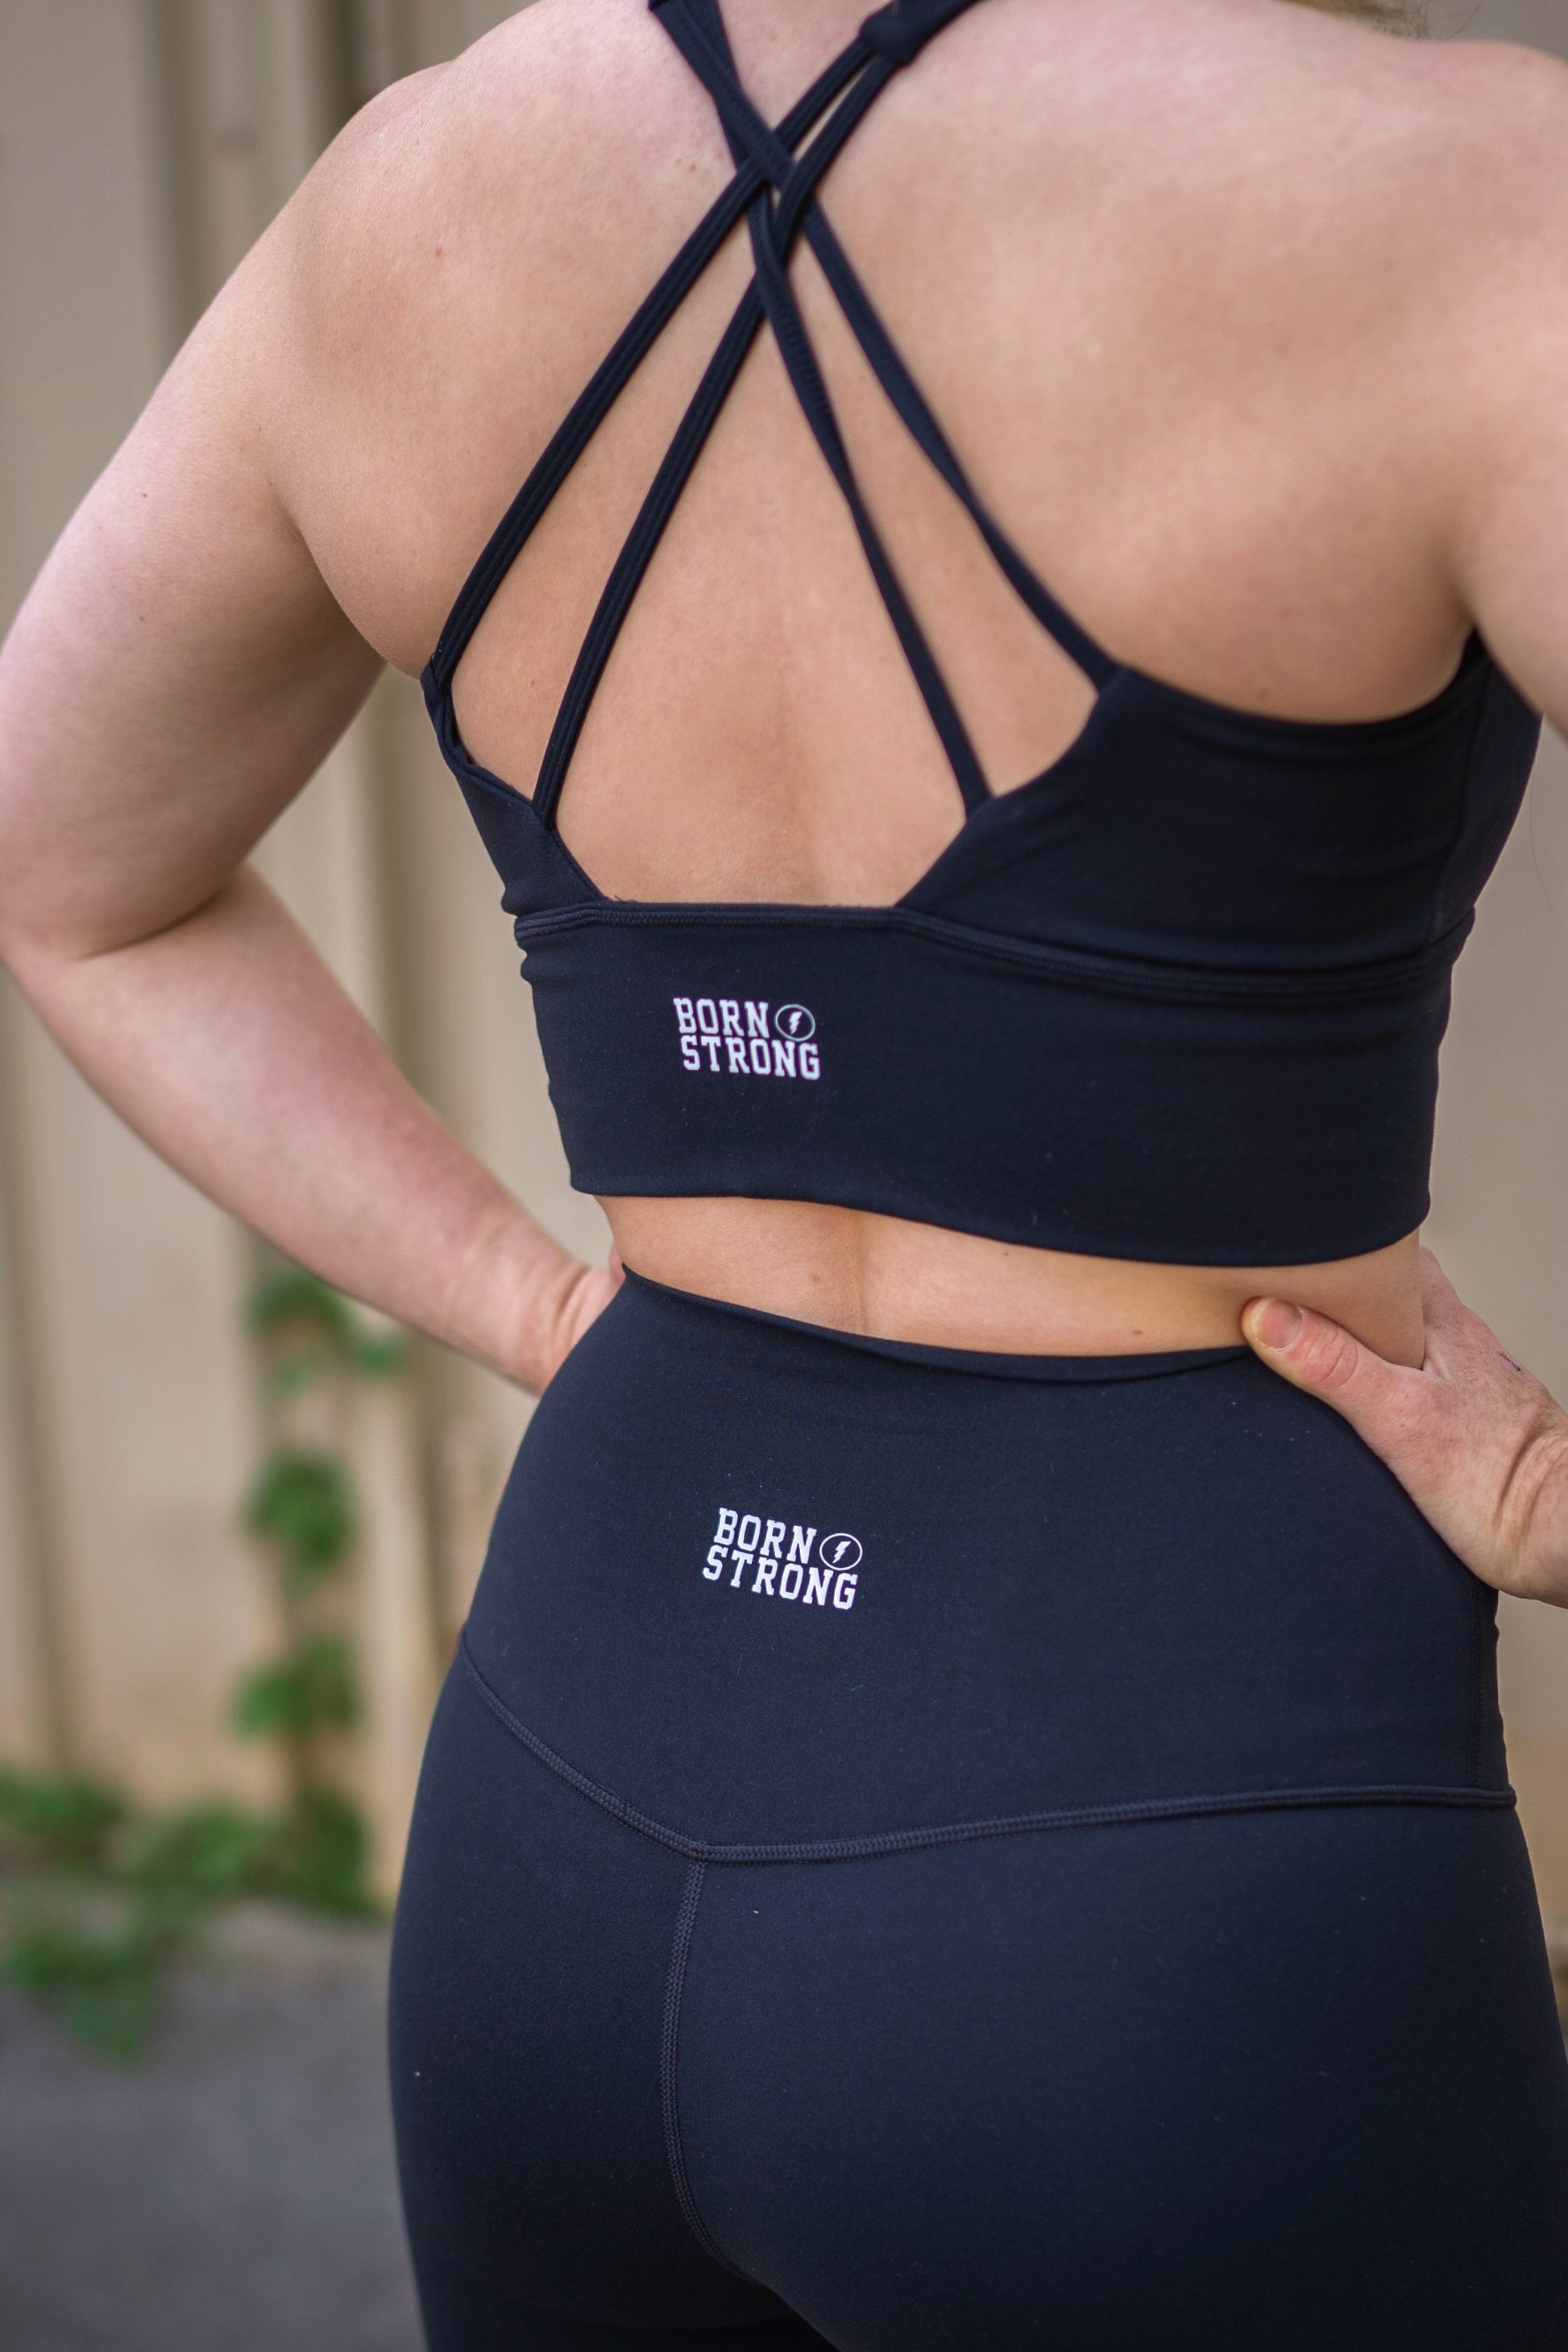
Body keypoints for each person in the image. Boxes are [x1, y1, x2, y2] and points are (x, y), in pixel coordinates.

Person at [1, 0, 1566, 2340]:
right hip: (1182, 1859)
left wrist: (534, 1305)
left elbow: (68, 872)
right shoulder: (1454, 200)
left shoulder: (412, 205)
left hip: (567, 1795)